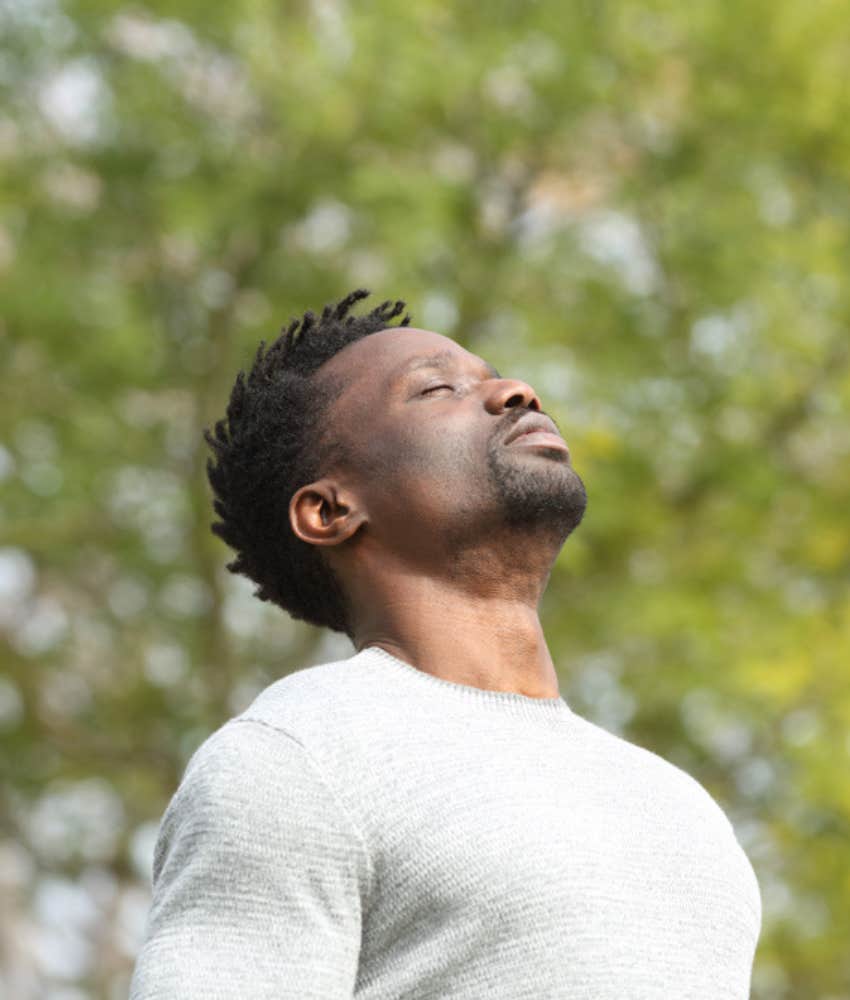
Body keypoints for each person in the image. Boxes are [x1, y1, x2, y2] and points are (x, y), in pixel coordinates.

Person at [130, 290, 761, 999]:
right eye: (437, 389)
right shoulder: (296, 759)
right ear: (330, 509)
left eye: (497, 376)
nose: (515, 392)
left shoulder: (675, 803)